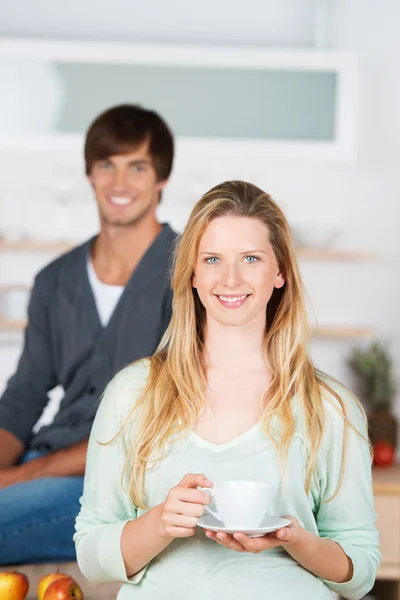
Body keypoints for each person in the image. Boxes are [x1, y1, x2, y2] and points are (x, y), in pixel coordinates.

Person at [74, 181, 380, 600]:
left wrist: (296, 538)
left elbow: (359, 571)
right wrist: (160, 522)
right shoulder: (133, 394)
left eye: (251, 258)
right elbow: (92, 559)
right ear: (193, 275)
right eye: (213, 259)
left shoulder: (331, 408)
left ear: (280, 273)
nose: (230, 278)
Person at [0, 104, 177, 565]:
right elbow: (24, 397)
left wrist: (23, 477)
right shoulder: (54, 280)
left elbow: (157, 421)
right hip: (44, 460)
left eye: (137, 166)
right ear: (90, 176)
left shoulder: (191, 274)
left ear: (161, 179)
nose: (120, 183)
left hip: (121, 483)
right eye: (106, 166)